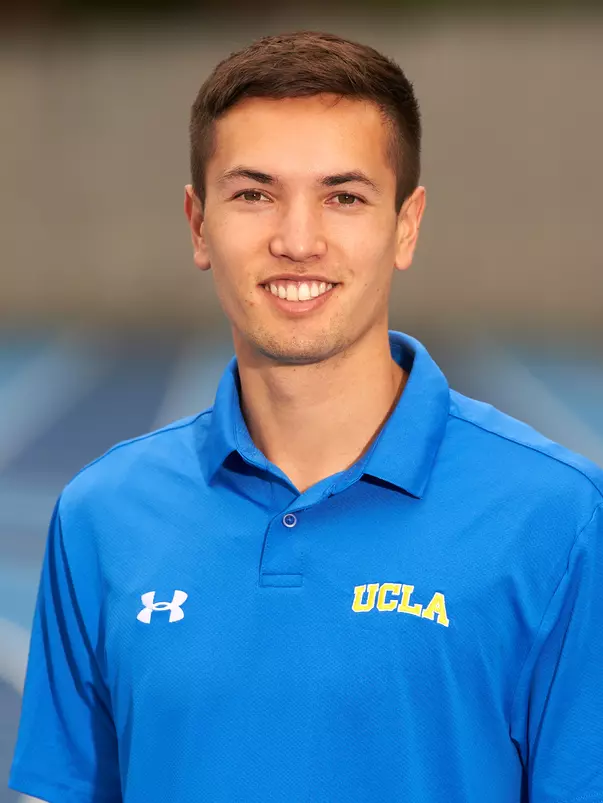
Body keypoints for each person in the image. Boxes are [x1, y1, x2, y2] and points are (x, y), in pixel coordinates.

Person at [8, 30, 603, 803]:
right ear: (197, 224)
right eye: (254, 194)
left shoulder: (558, 517)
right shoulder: (102, 515)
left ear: (406, 225)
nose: (297, 241)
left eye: (342, 196)